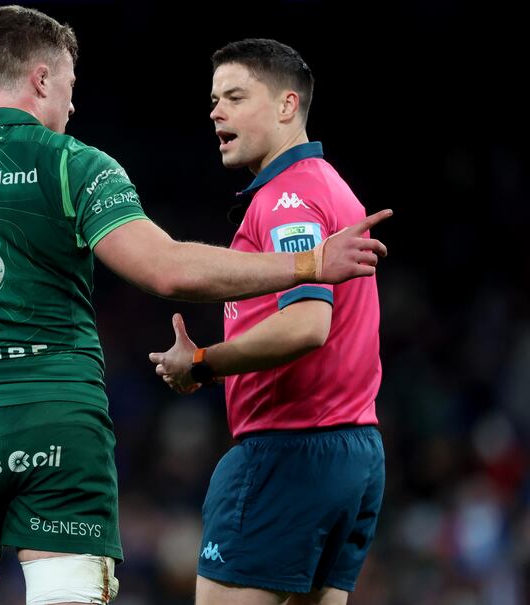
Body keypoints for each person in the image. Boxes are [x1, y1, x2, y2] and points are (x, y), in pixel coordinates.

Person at [0, 8, 390, 605]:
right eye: (71, 89)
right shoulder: (73, 164)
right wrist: (309, 266)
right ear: (43, 79)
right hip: (62, 426)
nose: (71, 109)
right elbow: (167, 269)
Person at [149, 39, 386, 605]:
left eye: (234, 96)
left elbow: (307, 325)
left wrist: (202, 364)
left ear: (286, 106)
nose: (216, 111)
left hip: (289, 451)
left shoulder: (288, 198)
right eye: (213, 99)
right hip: (355, 451)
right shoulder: (331, 186)